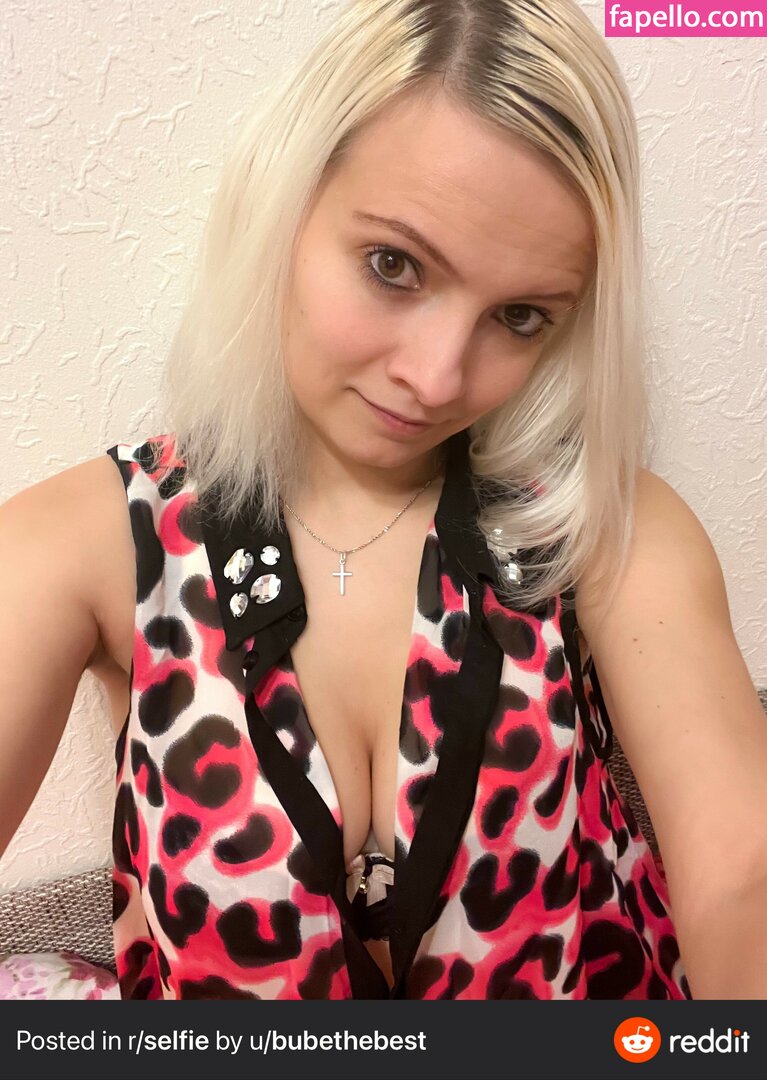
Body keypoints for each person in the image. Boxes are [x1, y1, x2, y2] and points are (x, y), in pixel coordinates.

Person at [1, 0, 766, 1001]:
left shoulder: (600, 528)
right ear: (285, 206)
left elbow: (741, 876)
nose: (438, 377)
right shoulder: (84, 543)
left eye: (519, 315)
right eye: (393, 266)